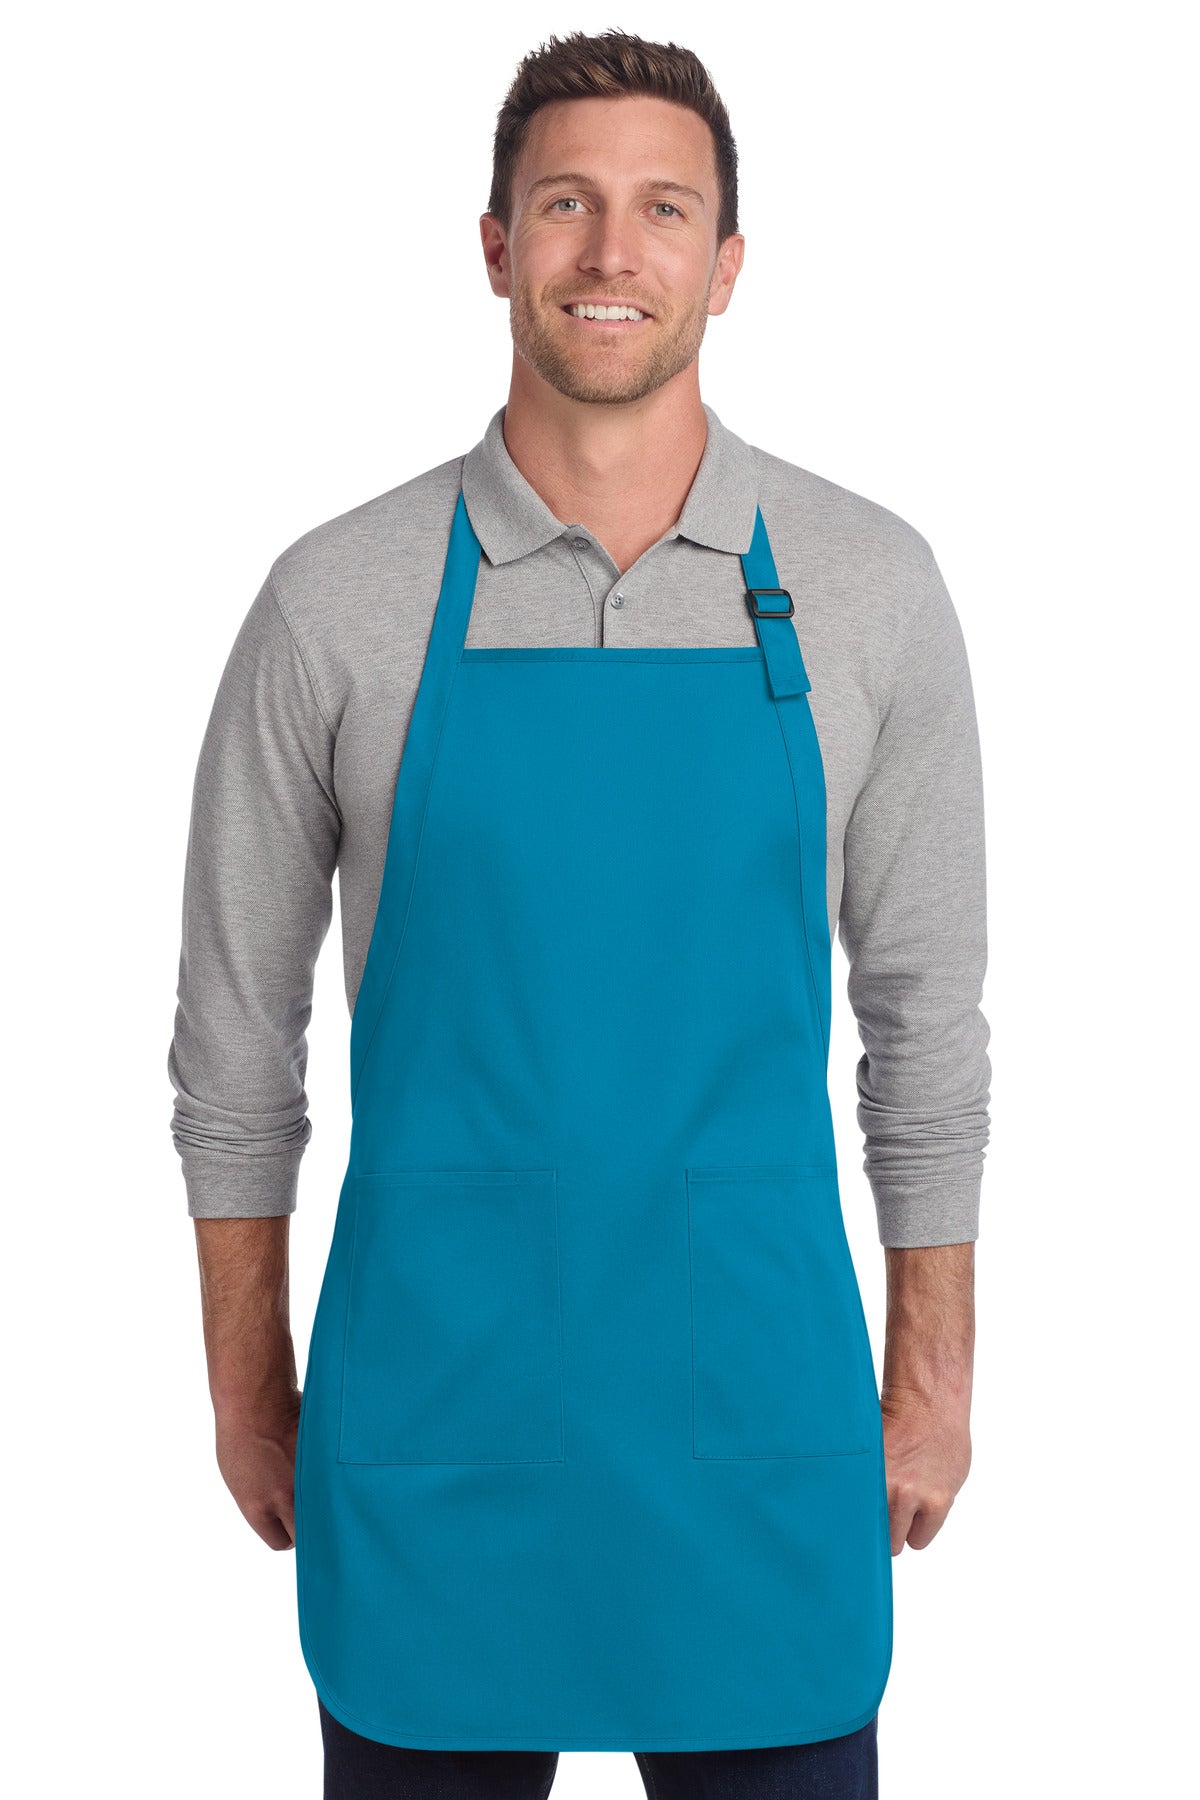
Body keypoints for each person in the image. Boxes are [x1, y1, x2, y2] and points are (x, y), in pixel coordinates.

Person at [168, 28, 989, 1800]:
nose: (613, 252)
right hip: (436, 1418)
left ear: (728, 263)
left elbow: (927, 1022)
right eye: (566, 206)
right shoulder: (336, 599)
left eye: (663, 210)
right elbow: (234, 1037)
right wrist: (245, 1380)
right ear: (495, 246)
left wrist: (935, 1372)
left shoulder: (869, 588)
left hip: (758, 1423)